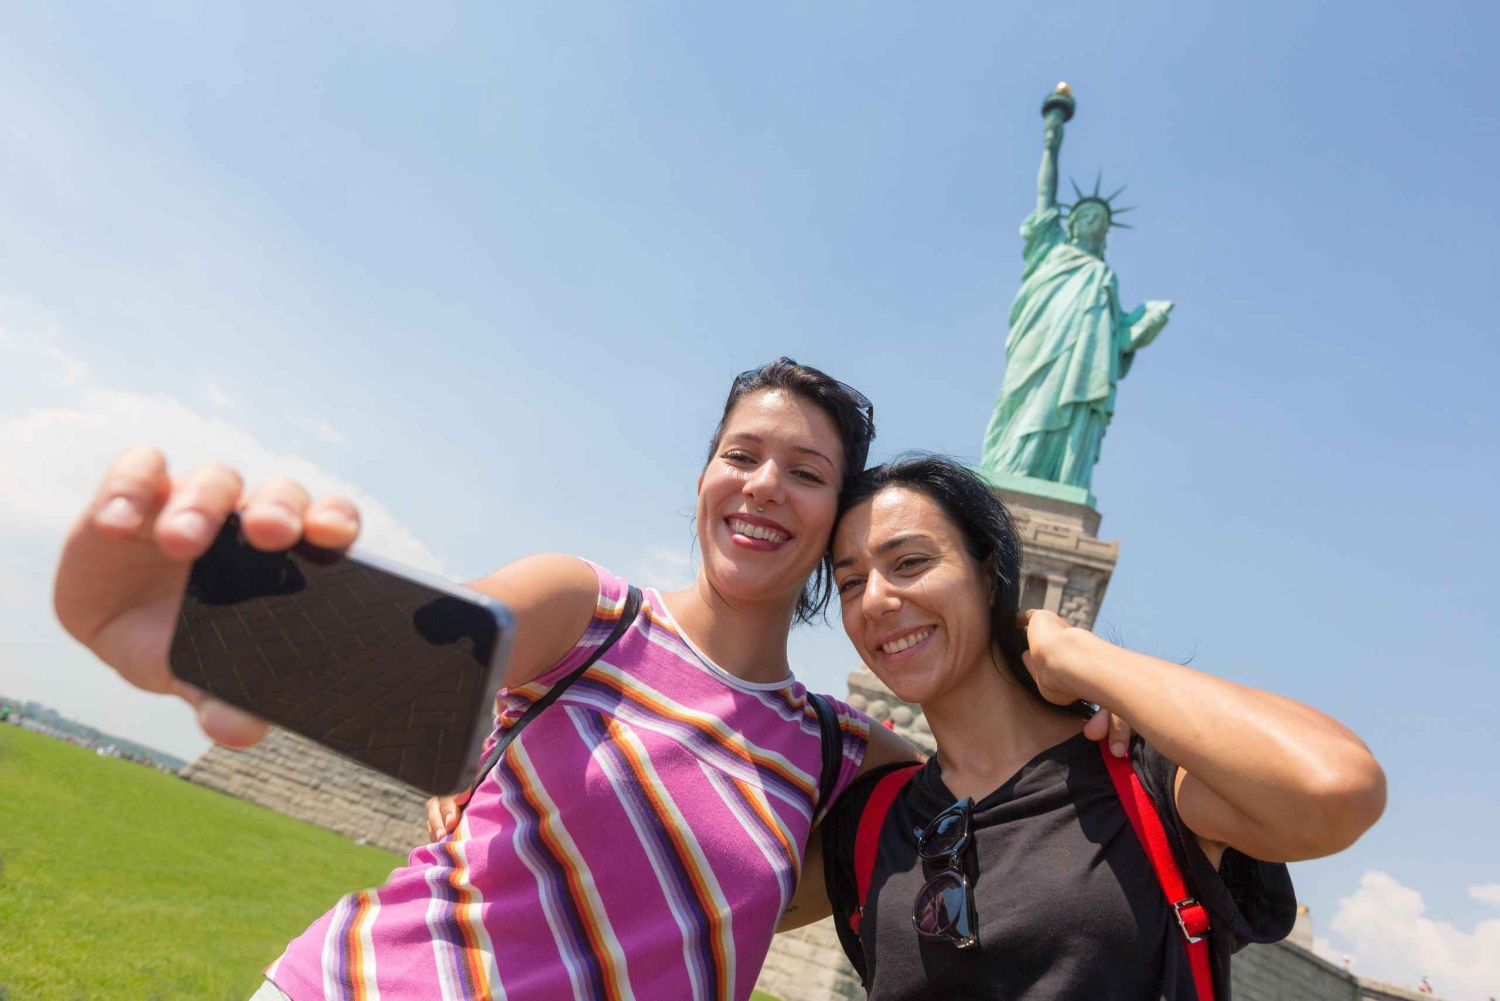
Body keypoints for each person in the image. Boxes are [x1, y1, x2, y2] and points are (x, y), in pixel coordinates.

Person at [55, 361, 1130, 1001]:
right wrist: (230, 633)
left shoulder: (842, 754)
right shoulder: (591, 611)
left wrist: (1096, 703)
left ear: (832, 526)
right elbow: (416, 653)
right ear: (705, 474)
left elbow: (995, 773)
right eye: (741, 453)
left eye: (805, 472)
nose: (763, 485)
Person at [821, 455, 1387, 999]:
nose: (874, 600)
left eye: (911, 562)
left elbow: (1337, 786)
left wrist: (1077, 657)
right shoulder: (870, 821)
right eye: (849, 583)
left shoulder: (1147, 777)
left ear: (990, 572)